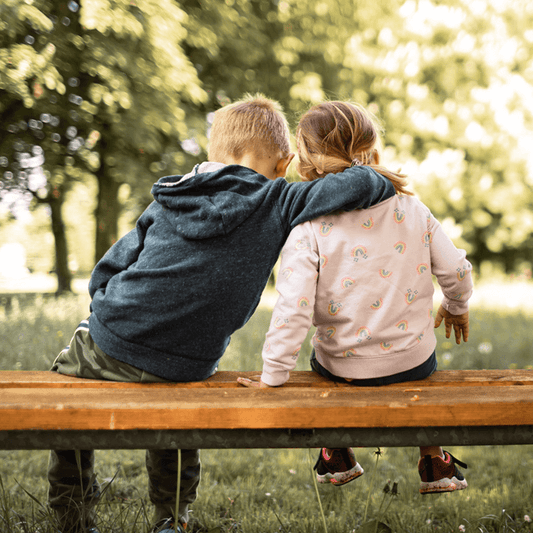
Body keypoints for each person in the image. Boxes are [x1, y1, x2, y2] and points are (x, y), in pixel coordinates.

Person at [48, 95, 396, 533]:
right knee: (174, 419)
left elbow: (109, 268)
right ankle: (171, 518)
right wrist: (361, 157)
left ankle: (73, 515)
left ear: (212, 154)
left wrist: (107, 313)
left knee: (65, 407)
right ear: (283, 162)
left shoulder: (169, 198)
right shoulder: (279, 201)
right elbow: (368, 185)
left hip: (109, 338)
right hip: (186, 363)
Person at [238, 101, 473, 495]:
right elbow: (457, 271)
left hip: (342, 366)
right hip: (412, 362)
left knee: (322, 362)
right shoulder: (412, 210)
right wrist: (456, 305)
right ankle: (434, 458)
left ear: (305, 163)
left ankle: (337, 452)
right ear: (372, 151)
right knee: (421, 365)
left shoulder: (308, 227)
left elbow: (292, 310)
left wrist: (273, 376)